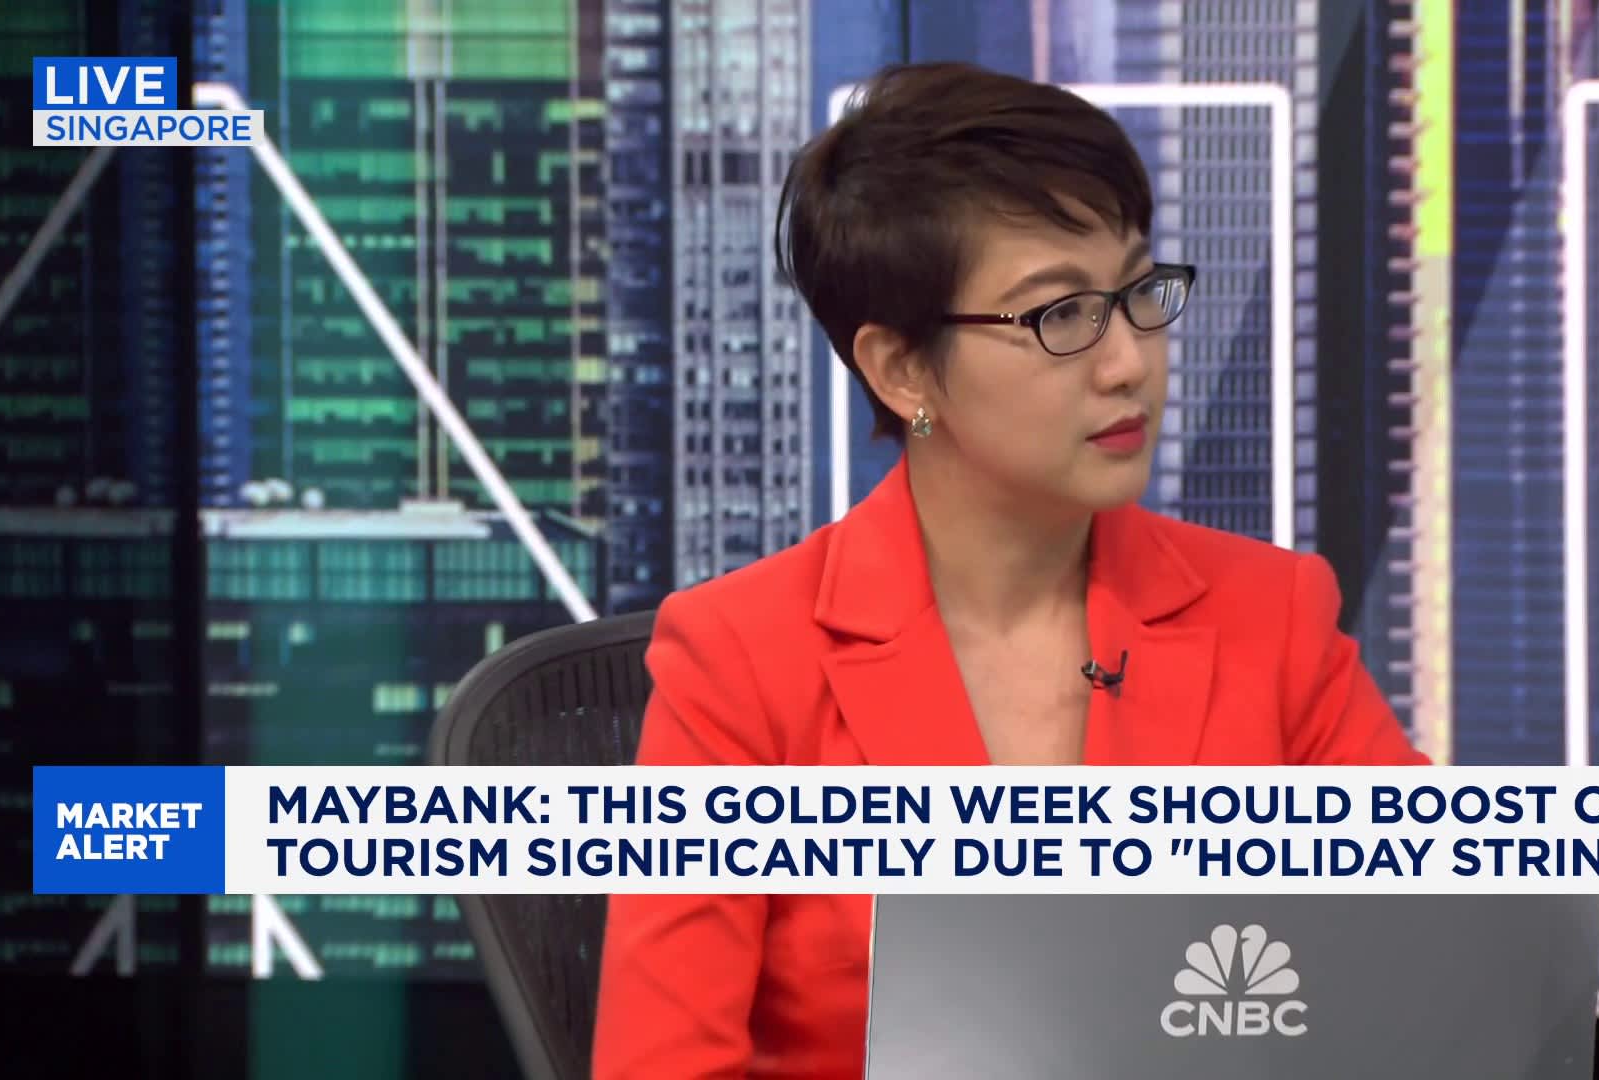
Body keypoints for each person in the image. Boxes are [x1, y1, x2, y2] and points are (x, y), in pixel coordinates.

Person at [591, 61, 1428, 1079]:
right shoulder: (741, 664)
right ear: (903, 370)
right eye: (1061, 316)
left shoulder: (1272, 616)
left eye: (1138, 292)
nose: (1129, 363)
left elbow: (1441, 965)